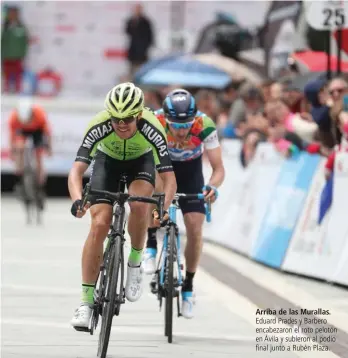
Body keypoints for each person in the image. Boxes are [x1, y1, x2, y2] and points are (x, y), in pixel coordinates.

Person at [68, 82, 177, 330]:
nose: (121, 124)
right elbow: (76, 171)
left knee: (140, 205)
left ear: (139, 114)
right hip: (108, 163)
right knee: (99, 224)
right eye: (116, 118)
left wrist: (164, 206)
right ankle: (85, 303)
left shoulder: (153, 127)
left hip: (142, 162)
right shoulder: (99, 125)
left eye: (128, 118)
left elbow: (169, 178)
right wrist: (77, 200)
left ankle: (135, 262)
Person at [143, 89, 225, 319]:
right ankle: (151, 241)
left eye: (186, 125)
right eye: (176, 125)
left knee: (195, 227)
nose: (181, 130)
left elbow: (218, 168)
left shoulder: (204, 125)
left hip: (191, 173)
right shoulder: (155, 121)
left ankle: (188, 286)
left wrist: (213, 186)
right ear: (166, 119)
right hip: (163, 167)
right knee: (155, 187)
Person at [8, 96, 52, 208]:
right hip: (22, 132)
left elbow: (47, 134)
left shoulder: (39, 114)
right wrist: (13, 152)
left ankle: (40, 185)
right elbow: (12, 138)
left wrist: (49, 148)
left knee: (39, 156)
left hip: (38, 132)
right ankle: (19, 179)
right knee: (19, 148)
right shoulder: (14, 118)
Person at [1, 5, 29, 93]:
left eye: (14, 13)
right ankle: (6, 90)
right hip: (7, 56)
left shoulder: (21, 27)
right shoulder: (5, 27)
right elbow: (2, 41)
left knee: (18, 75)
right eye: (10, 13)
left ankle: (17, 90)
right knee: (6, 75)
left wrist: (23, 54)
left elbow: (25, 42)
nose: (12, 15)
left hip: (18, 56)